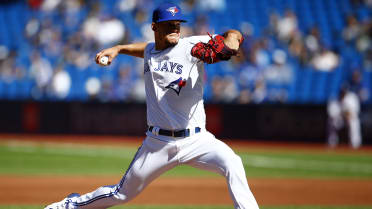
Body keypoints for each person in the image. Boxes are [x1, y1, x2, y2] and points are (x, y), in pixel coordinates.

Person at [45, 3, 259, 209]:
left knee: (233, 163)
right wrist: (118, 48)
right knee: (121, 194)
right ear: (155, 27)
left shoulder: (191, 45)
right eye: (169, 24)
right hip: (158, 143)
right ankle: (71, 204)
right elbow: (146, 49)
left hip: (197, 140)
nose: (175, 28)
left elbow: (234, 33)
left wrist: (231, 39)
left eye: (178, 24)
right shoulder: (150, 51)